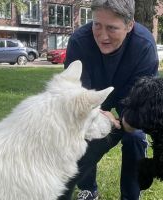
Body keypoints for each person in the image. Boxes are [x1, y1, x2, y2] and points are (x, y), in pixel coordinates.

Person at [63, 0, 159, 199]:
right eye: (96, 25)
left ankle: (131, 196)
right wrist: (97, 113)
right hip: (92, 94)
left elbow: (140, 105)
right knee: (83, 132)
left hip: (130, 96)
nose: (102, 35)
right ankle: (89, 189)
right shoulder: (79, 42)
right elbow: (75, 95)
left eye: (112, 28)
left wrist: (122, 120)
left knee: (134, 137)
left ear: (129, 25)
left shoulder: (144, 46)